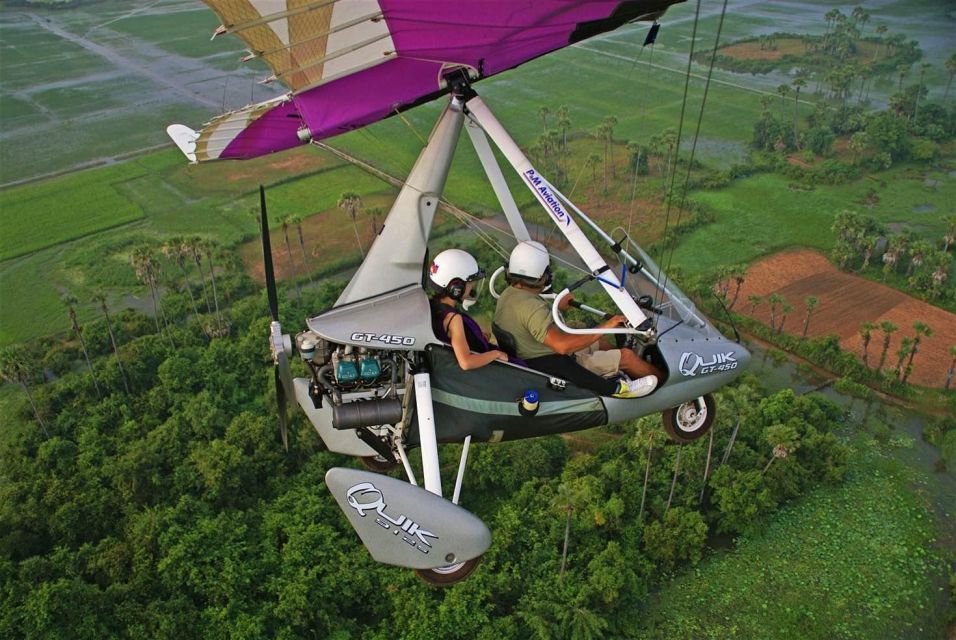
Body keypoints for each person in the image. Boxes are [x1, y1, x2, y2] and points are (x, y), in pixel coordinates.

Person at [493, 241, 659, 398]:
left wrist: (556, 306)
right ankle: (665, 386)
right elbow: (562, 346)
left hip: (534, 353)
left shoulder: (509, 294)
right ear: (540, 276)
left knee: (598, 341)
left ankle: (627, 369)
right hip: (560, 365)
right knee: (626, 356)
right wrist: (606, 326)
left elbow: (527, 318)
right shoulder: (532, 308)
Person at [428, 248, 510, 370]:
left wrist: (477, 340)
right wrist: (495, 354)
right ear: (457, 287)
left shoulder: (431, 306)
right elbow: (466, 362)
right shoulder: (453, 319)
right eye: (470, 282)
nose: (473, 286)